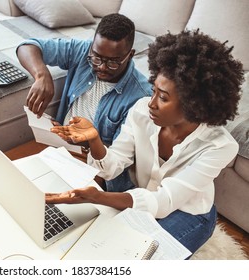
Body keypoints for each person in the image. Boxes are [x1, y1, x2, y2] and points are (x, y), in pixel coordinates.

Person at [48, 29, 244, 255]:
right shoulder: (142, 110)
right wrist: (95, 141)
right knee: (100, 242)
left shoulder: (219, 146)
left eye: (163, 97)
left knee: (141, 257)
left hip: (185, 212)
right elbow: (114, 166)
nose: (151, 103)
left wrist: (100, 197)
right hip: (140, 190)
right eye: (154, 91)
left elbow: (164, 201)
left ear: (193, 104)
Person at [17, 13, 152, 192]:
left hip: (95, 168)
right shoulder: (84, 51)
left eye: (112, 62)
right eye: (96, 58)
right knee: (16, 176)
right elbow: (28, 46)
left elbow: (115, 160)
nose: (102, 67)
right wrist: (41, 75)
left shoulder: (141, 97)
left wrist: (82, 140)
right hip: (59, 146)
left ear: (130, 55)